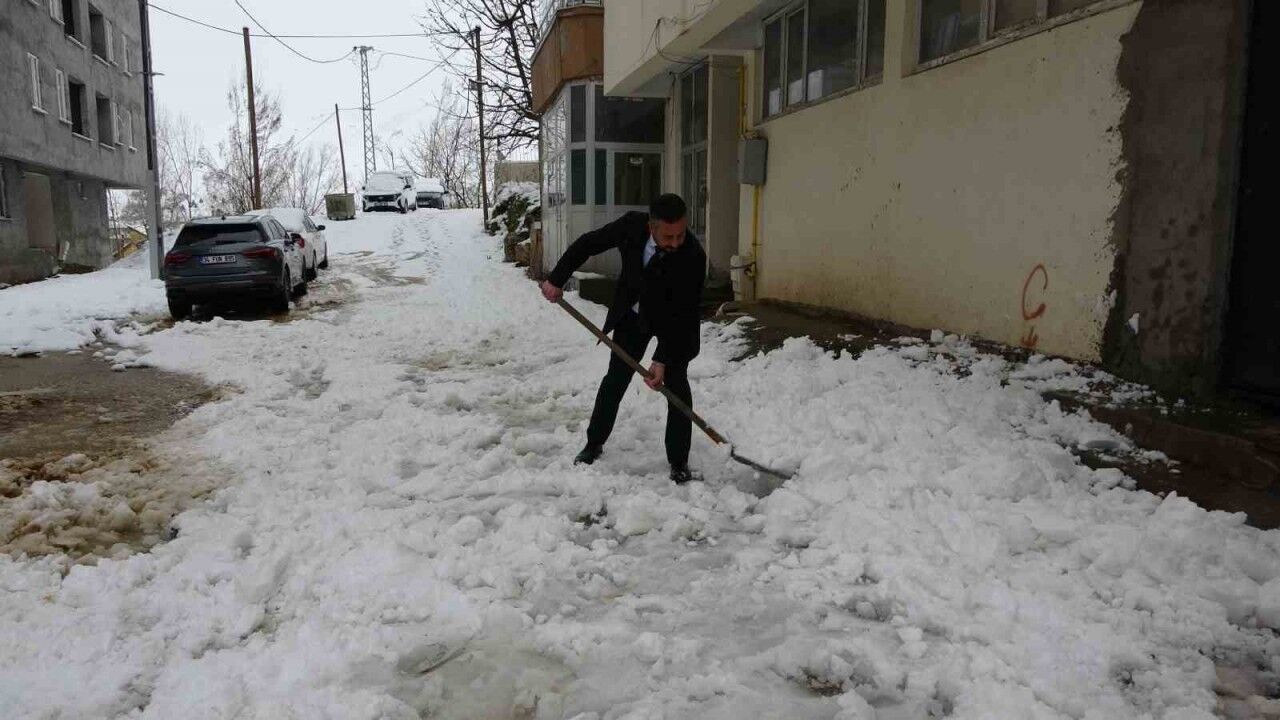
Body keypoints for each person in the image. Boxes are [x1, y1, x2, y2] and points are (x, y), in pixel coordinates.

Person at [540, 194, 706, 484]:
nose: (676, 242)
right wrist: (557, 278)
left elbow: (686, 315)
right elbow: (588, 243)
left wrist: (662, 359)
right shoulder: (631, 226)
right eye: (669, 236)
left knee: (677, 385)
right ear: (651, 227)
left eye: (681, 234)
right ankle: (594, 443)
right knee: (615, 380)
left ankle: (678, 460)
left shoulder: (692, 256)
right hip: (633, 316)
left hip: (673, 322)